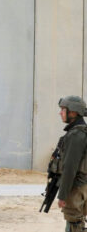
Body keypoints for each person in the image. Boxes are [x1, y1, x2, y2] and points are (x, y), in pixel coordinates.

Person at [57, 96, 87, 232]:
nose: (60, 113)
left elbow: (69, 168)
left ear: (73, 112)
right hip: (84, 184)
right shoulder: (83, 132)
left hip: (76, 187)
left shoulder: (75, 135)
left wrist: (62, 195)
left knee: (74, 222)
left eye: (63, 109)